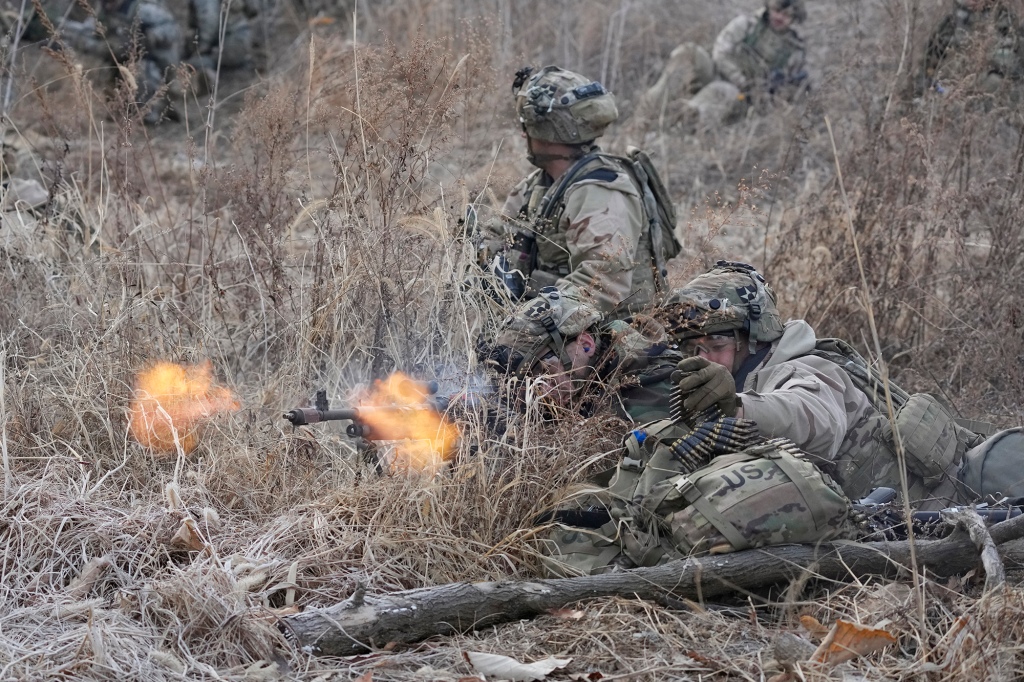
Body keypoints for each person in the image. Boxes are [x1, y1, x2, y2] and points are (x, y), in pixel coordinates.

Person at [537, 260, 1024, 577]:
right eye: (695, 349)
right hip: (876, 532)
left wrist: (738, 407)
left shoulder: (806, 370)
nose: (707, 358)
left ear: (754, 338)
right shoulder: (718, 381)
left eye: (719, 346)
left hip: (963, 500)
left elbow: (810, 418)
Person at [477, 65, 681, 321]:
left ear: (547, 131)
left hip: (617, 339)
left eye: (526, 124)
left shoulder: (600, 193)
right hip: (561, 331)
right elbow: (499, 235)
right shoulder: (540, 185)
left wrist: (527, 322)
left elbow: (603, 284)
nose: (522, 133)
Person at [480, 286, 682, 424]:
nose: (543, 392)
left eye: (547, 371)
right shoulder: (589, 376)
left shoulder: (655, 385)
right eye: (532, 381)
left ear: (586, 344)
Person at [631, 0, 808, 131]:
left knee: (722, 90)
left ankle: (681, 122)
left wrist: (763, 93)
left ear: (795, 19)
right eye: (777, 10)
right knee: (690, 52)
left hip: (742, 97)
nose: (779, 17)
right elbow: (720, 52)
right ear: (769, 7)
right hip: (718, 72)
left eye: (787, 16)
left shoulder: (794, 51)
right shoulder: (747, 25)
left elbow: (785, 95)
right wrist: (739, 78)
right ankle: (648, 110)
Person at [60, 0, 183, 124]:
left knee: (142, 71)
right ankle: (122, 108)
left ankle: (151, 112)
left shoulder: (143, 9)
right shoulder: (104, 11)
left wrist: (150, 37)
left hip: (153, 60)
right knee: (103, 72)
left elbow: (172, 29)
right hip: (123, 58)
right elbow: (87, 31)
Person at [918, 0, 1022, 96]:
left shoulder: (1003, 19)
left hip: (989, 85)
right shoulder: (955, 19)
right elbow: (931, 57)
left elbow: (1008, 62)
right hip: (953, 85)